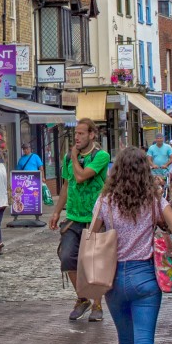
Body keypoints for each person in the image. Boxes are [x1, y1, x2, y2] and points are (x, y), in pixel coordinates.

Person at [94, 147, 172, 344]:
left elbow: (92, 231)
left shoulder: (106, 200)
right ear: (145, 171)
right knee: (144, 341)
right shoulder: (153, 199)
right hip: (146, 276)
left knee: (125, 342)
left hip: (113, 278)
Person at [47, 119, 110, 322]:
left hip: (95, 218)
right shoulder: (68, 158)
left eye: (82, 133)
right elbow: (67, 185)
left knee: (93, 264)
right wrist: (57, 212)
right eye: (76, 133)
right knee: (67, 258)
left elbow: (82, 176)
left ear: (92, 135)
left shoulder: (101, 156)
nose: (77, 137)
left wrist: (74, 157)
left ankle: (97, 304)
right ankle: (82, 298)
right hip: (73, 217)